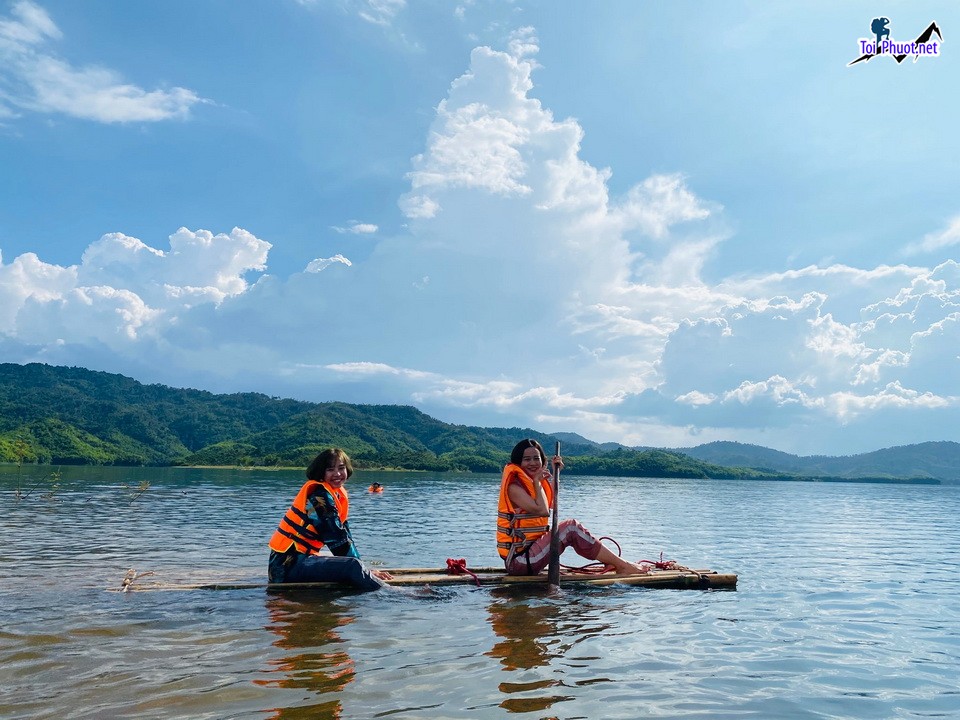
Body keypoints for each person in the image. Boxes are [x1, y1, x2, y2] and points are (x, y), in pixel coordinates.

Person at [496, 438, 648, 576]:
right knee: (571, 527)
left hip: (530, 556)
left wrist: (555, 474)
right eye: (526, 459)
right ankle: (623, 565)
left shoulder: (533, 483)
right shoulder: (514, 487)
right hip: (520, 562)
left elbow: (552, 505)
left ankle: (615, 563)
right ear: (518, 463)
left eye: (537, 458)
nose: (533, 463)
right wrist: (537, 481)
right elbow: (542, 511)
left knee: (571, 528)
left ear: (543, 461)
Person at [268, 448, 392, 591]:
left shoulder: (334, 495)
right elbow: (335, 537)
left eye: (341, 468)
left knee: (352, 564)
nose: (337, 474)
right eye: (330, 469)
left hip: (296, 562)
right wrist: (361, 569)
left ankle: (370, 580)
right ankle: (399, 594)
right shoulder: (318, 497)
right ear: (321, 472)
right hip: (285, 568)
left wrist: (365, 570)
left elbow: (345, 536)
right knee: (352, 566)